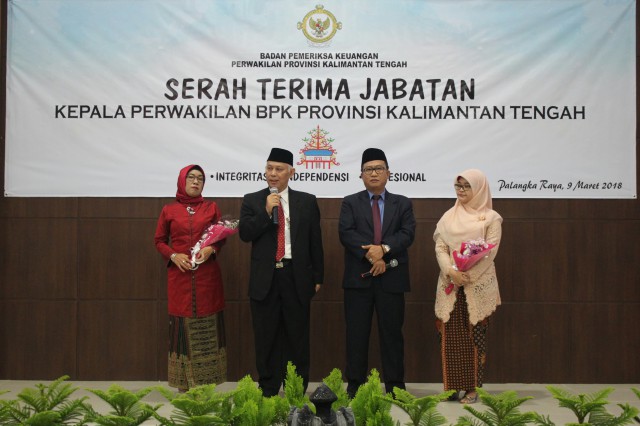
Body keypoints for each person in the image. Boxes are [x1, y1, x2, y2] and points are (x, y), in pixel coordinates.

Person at [239, 147, 324, 397]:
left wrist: (318, 276)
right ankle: (268, 388)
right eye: (269, 168)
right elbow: (245, 234)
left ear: (291, 172)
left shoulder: (306, 201)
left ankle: (296, 388)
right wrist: (266, 211)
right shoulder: (252, 200)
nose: (273, 173)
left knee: (297, 337)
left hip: (295, 276)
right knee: (266, 336)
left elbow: (315, 241)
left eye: (278, 169)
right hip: (265, 278)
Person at [338, 148, 416, 398]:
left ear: (388, 173)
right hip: (358, 280)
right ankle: (355, 386)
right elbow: (346, 233)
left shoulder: (402, 203)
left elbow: (407, 233)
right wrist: (373, 255)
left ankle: (395, 386)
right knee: (356, 334)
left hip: (392, 278)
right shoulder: (350, 202)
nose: (374, 173)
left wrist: (383, 249)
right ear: (361, 175)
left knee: (392, 335)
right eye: (368, 169)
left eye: (379, 169)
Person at [154, 164, 227, 391]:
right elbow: (159, 241)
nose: (196, 182)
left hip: (207, 277)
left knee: (207, 325)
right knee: (182, 327)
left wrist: (211, 249)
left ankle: (208, 383)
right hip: (180, 277)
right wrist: (173, 255)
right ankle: (183, 385)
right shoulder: (169, 210)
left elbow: (221, 237)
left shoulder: (211, 208)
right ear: (182, 181)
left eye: (200, 178)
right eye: (191, 177)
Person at [433, 169, 503, 404]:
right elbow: (440, 247)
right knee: (449, 337)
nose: (461, 190)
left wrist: (467, 275)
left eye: (466, 186)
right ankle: (451, 387)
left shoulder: (491, 218)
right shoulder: (448, 216)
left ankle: (472, 389)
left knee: (475, 338)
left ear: (479, 188)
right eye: (458, 186)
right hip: (450, 284)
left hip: (477, 285)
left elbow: (490, 252)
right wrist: (451, 271)